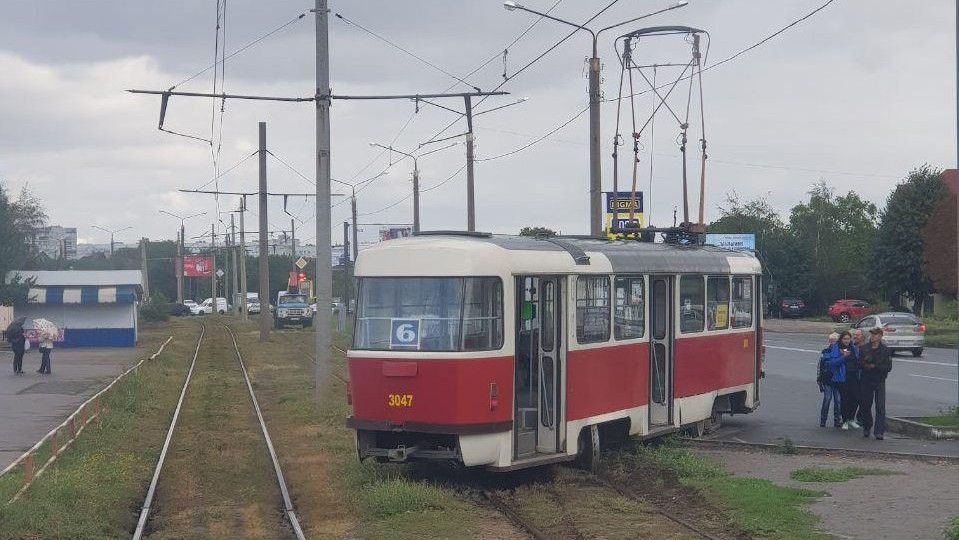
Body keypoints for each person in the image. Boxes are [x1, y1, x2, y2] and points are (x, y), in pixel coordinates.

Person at [859, 327, 892, 440]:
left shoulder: (885, 350)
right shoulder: (864, 349)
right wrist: (864, 364)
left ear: (880, 336)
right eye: (871, 334)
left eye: (875, 335)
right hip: (866, 379)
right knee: (865, 405)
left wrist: (875, 366)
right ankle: (867, 427)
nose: (872, 337)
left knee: (880, 406)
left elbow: (888, 367)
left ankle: (879, 431)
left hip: (879, 380)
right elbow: (858, 364)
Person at [826, 331, 861, 430]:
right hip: (842, 378)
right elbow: (832, 363)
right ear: (841, 339)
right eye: (845, 339)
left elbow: (857, 360)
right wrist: (843, 357)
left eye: (848, 339)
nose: (846, 341)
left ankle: (851, 419)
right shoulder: (836, 348)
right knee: (845, 399)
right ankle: (845, 420)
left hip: (853, 376)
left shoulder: (853, 348)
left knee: (855, 398)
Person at [818, 332, 842, 427]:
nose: (832, 343)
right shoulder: (825, 352)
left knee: (838, 400)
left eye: (834, 341)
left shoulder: (841, 352)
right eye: (831, 341)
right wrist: (819, 379)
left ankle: (837, 420)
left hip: (838, 380)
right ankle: (823, 420)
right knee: (827, 399)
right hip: (827, 379)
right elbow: (820, 366)